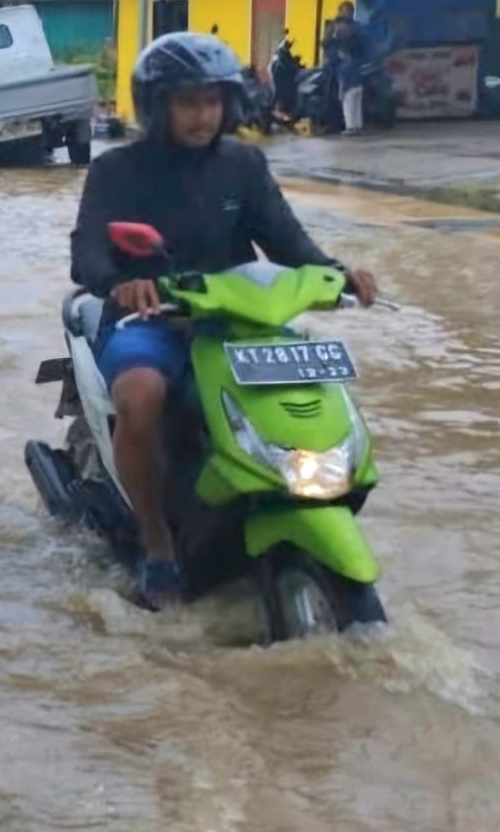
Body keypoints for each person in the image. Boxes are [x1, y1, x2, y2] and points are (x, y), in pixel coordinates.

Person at [70, 32, 379, 609]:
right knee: (141, 396)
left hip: (237, 320)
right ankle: (158, 541)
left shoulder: (243, 164)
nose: (203, 116)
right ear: (158, 106)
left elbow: (288, 242)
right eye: (188, 103)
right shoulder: (117, 170)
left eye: (212, 102)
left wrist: (340, 274)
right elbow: (86, 251)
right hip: (151, 320)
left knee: (305, 399)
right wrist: (121, 283)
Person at [328, 1, 366, 135]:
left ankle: (351, 127)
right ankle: (357, 126)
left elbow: (330, 46)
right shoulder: (358, 28)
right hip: (357, 70)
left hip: (346, 71)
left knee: (348, 99)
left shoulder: (338, 29)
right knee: (356, 99)